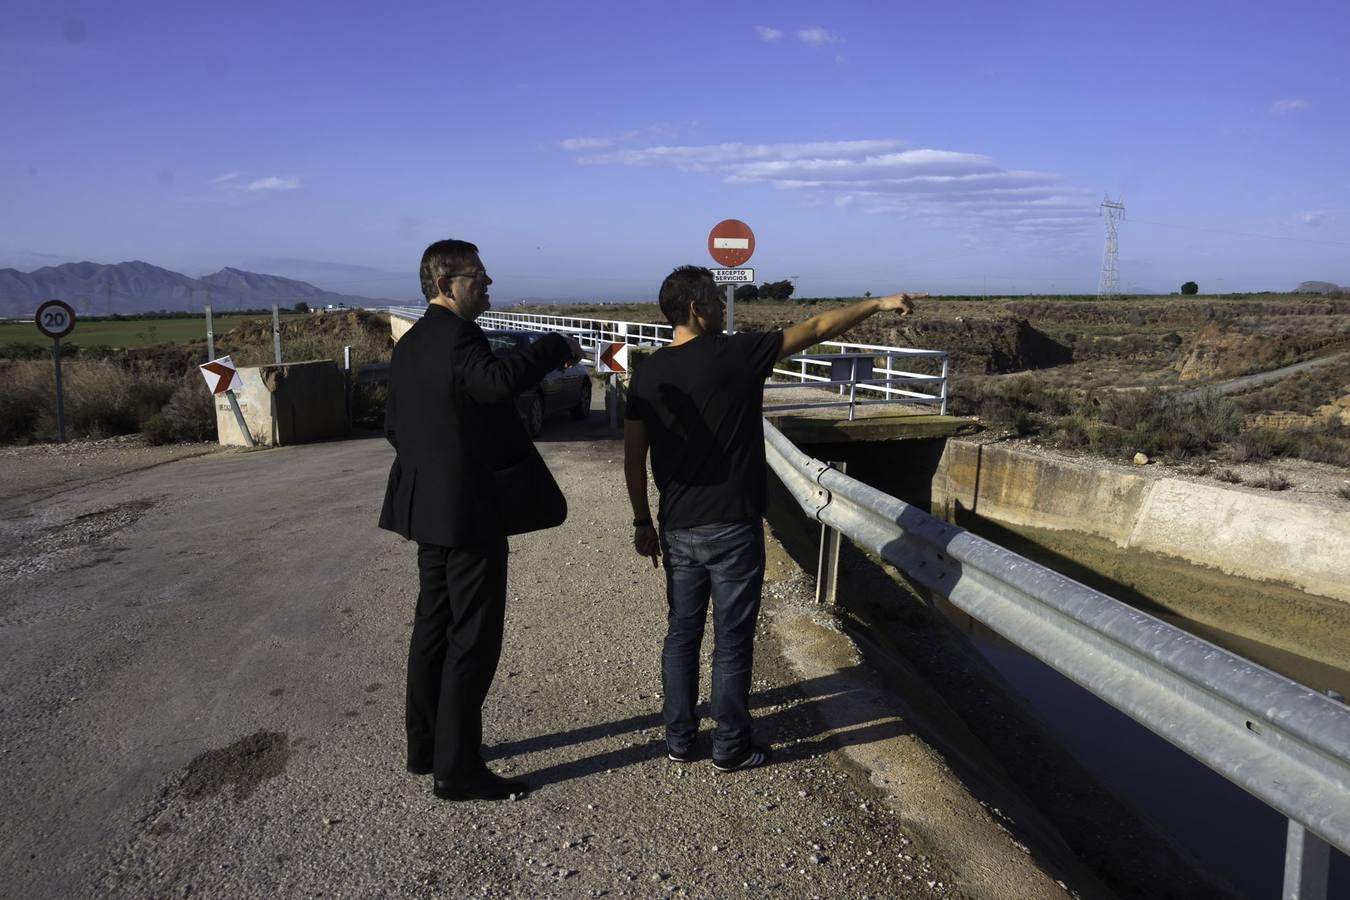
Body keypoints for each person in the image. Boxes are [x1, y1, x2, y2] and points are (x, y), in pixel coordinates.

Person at [623, 266, 920, 771]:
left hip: (676, 526)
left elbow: (633, 456)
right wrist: (876, 303)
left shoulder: (648, 373)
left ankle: (679, 740)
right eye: (715, 298)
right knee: (732, 641)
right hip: (733, 525)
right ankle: (730, 747)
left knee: (681, 633)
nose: (723, 306)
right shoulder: (738, 353)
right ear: (696, 308)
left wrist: (641, 521)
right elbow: (817, 328)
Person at [379, 239, 581, 801]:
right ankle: (458, 769)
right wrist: (551, 347)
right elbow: (495, 382)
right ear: (446, 285)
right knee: (473, 638)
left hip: (427, 511)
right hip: (468, 512)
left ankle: (426, 749)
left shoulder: (410, 343)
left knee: (433, 629)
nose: (488, 283)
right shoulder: (460, 336)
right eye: (478, 276)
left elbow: (394, 427)